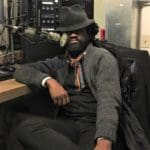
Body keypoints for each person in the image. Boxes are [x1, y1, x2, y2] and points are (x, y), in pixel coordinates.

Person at [8, 4, 122, 150]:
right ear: (61, 37)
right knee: (24, 128)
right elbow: (22, 71)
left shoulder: (102, 58)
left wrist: (104, 140)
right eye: (68, 31)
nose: (73, 34)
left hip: (94, 126)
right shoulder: (59, 62)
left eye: (78, 29)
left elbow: (109, 101)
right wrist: (49, 81)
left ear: (88, 32)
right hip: (69, 125)